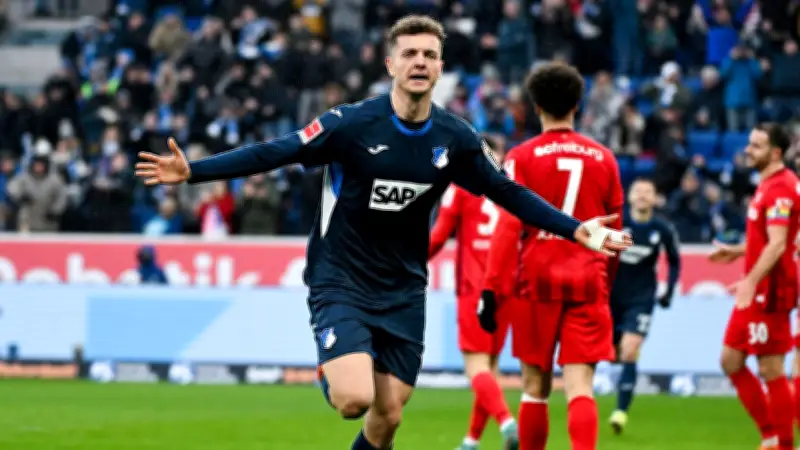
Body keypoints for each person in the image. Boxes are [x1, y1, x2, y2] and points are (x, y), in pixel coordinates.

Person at [134, 16, 631, 450]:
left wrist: (575, 229)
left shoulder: (456, 137)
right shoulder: (351, 124)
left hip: (403, 287)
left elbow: (508, 192)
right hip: (341, 277)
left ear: (440, 68)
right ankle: (332, 366)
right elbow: (276, 151)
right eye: (410, 53)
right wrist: (194, 171)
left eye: (429, 55)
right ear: (391, 65)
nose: (420, 62)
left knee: (389, 415)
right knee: (355, 399)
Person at [478, 62, 625, 450]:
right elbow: (615, 234)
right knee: (580, 387)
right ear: (577, 105)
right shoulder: (604, 158)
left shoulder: (522, 156)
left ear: (535, 106)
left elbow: (509, 225)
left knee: (534, 388)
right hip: (587, 280)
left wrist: (491, 288)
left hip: (537, 281)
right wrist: (606, 285)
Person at [709, 123, 799, 450]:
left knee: (770, 368)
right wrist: (737, 251)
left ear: (775, 153)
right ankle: (770, 435)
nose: (748, 150)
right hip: (758, 289)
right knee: (730, 360)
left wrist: (750, 280)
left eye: (756, 145)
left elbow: (778, 245)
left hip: (771, 291)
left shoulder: (781, 189)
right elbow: (770, 240)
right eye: (749, 143)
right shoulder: (768, 184)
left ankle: (783, 444)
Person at [428, 134, 518, 450]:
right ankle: (471, 441)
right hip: (507, 287)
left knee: (476, 368)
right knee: (490, 368)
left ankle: (507, 422)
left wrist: (406, 263)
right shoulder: (514, 187)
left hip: (475, 287)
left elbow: (439, 236)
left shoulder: (461, 187)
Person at [607, 177, 680, 434]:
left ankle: (620, 412)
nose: (642, 196)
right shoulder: (617, 224)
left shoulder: (663, 229)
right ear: (629, 197)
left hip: (641, 299)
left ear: (655, 198)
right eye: (638, 191)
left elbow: (674, 261)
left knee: (629, 350)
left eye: (648, 192)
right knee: (613, 355)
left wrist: (669, 290)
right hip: (611, 297)